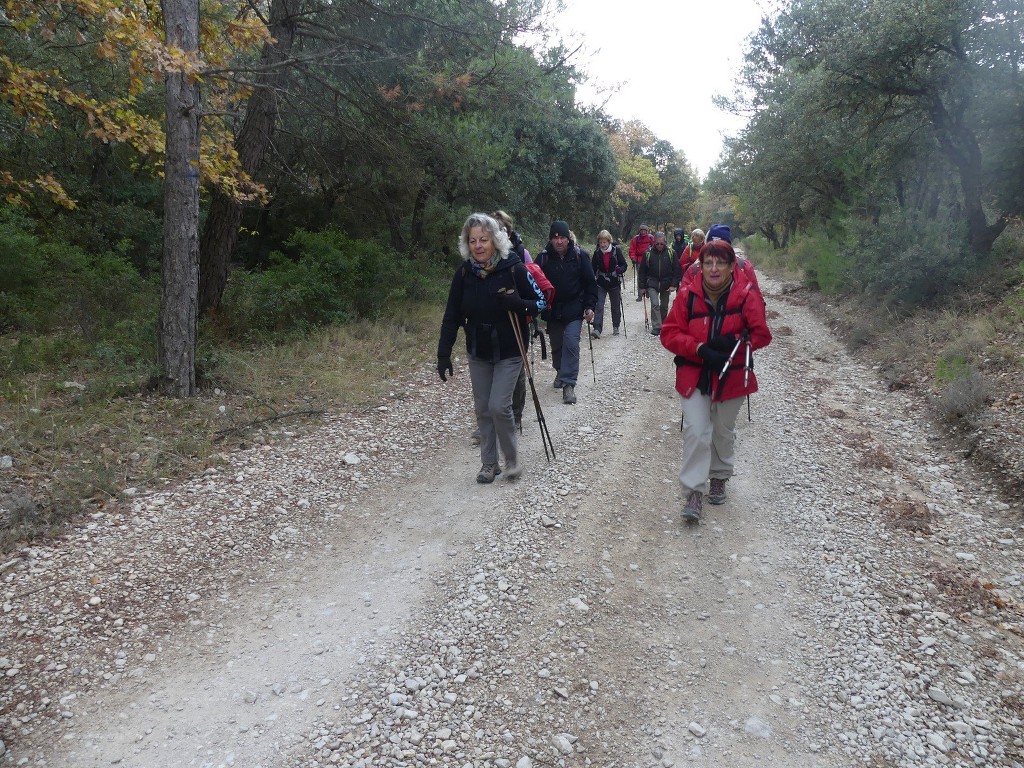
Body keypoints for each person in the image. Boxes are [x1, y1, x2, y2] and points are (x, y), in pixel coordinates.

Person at [660, 238, 772, 522]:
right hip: (694, 373)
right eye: (707, 262)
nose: (713, 268)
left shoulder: (746, 296)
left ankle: (719, 476)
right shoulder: (687, 296)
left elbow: (761, 334)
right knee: (697, 431)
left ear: (732, 266)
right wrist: (699, 348)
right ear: (700, 265)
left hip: (732, 374)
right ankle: (694, 492)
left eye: (720, 263)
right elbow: (669, 334)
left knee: (722, 430)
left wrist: (733, 341)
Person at [437, 213, 546, 483]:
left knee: (499, 406)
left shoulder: (513, 268)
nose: (478, 245)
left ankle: (511, 459)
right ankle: (489, 463)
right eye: (472, 240)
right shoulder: (464, 273)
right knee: (483, 408)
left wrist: (517, 303)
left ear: (495, 240)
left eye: (483, 239)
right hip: (478, 349)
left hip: (510, 349)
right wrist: (443, 353)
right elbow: (451, 316)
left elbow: (541, 302)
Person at [535, 220, 597, 405]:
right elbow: (533, 283)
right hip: (553, 309)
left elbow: (590, 284)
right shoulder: (543, 259)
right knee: (556, 345)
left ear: (568, 239)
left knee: (571, 342)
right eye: (555, 238)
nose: (559, 241)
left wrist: (589, 306)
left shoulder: (580, 256)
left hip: (574, 307)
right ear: (551, 240)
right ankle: (560, 371)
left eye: (562, 237)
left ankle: (568, 384)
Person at [680, 224, 764, 301]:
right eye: (712, 248)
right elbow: (680, 305)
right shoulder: (693, 271)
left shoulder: (744, 267)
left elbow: (756, 303)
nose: (714, 269)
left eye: (722, 248)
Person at [638, 231, 681, 335]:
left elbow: (677, 270)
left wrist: (673, 284)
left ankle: (663, 323)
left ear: (665, 242)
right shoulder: (648, 253)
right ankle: (657, 326)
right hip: (652, 282)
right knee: (655, 304)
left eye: (661, 243)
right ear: (654, 242)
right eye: (657, 243)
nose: (659, 246)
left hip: (666, 283)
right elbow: (642, 271)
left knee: (664, 306)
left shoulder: (672, 253)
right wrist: (642, 287)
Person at [590, 230, 628, 338]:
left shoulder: (616, 251)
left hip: (614, 282)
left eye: (605, 242)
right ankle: (597, 329)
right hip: (601, 282)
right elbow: (592, 268)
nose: (603, 244)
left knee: (615, 305)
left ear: (609, 241)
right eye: (601, 242)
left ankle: (616, 326)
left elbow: (624, 265)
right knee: (599, 305)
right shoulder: (597, 253)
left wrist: (620, 269)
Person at [628, 223, 656, 300]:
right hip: (639, 260)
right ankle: (640, 295)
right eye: (642, 230)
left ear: (647, 231)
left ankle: (648, 291)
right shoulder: (636, 239)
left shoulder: (651, 238)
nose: (643, 232)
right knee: (640, 277)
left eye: (644, 230)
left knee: (649, 276)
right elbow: (632, 249)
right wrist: (633, 258)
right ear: (639, 231)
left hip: (649, 260)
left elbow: (655, 248)